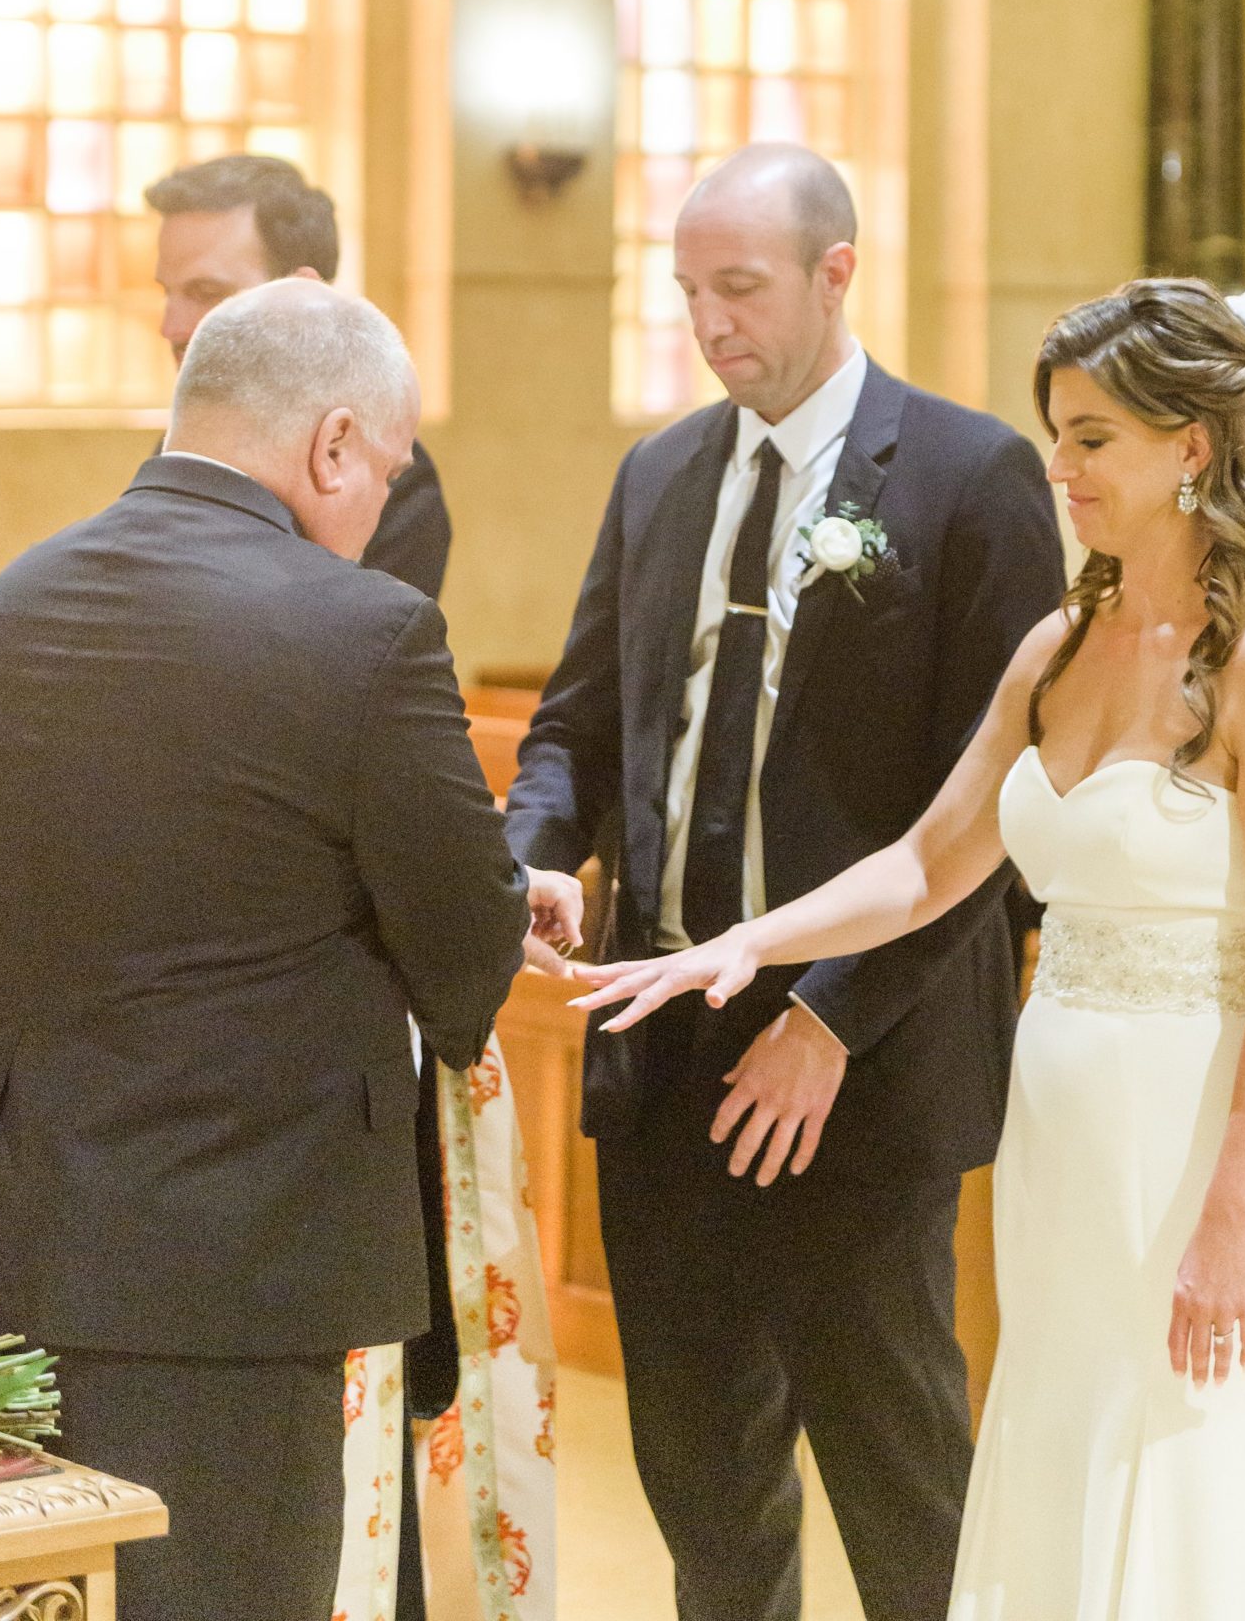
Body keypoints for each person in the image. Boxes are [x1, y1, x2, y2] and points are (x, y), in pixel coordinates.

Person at [578, 280, 1245, 1621]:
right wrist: (741, 945)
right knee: (1069, 1432)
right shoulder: (1057, 643)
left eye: (1092, 436)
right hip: (1067, 1139)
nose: (1060, 465)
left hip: (1206, 1135)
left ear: (1188, 446)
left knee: (1205, 1465)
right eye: (1057, 431)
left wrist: (1231, 1214)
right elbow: (926, 862)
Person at [0, 282, 575, 1621]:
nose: (379, 511)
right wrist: (506, 895)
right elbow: (461, 951)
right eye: (387, 473)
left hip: (24, 1231)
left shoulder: (12, 603)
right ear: (332, 444)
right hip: (241, 1264)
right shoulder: (363, 632)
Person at [506, 143, 1063, 1621]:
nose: (708, 322)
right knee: (700, 1473)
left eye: (737, 287)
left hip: (855, 1061)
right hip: (665, 1035)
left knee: (893, 1470)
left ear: (836, 272)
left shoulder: (965, 478)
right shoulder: (661, 473)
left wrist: (827, 1016)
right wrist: (535, 853)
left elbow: (989, 812)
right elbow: (575, 721)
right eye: (686, 291)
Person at [147, 151, 453, 599]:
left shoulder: (386, 474)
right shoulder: (181, 447)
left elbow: (362, 652)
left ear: (301, 291)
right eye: (168, 293)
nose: (170, 328)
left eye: (206, 293)